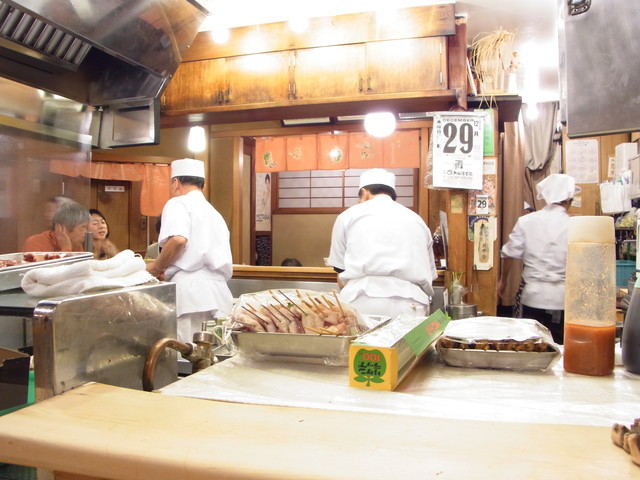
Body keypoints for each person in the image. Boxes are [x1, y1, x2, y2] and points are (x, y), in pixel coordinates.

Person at [327, 168, 437, 319]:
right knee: (406, 344)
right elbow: (430, 274)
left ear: (365, 193)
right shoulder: (417, 220)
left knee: (362, 344)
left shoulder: (347, 216)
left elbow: (340, 271)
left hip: (362, 300)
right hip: (411, 302)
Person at [146, 158, 234, 343]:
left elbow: (178, 240)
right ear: (203, 185)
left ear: (175, 182)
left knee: (188, 361)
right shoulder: (214, 213)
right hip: (220, 298)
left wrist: (157, 266)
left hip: (191, 296)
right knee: (212, 361)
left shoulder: (178, 203)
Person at [500, 173, 577, 344]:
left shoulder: (526, 221)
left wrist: (503, 282)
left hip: (533, 296)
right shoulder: (575, 225)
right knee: (560, 347)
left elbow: (509, 253)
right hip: (563, 299)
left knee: (529, 344)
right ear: (568, 200)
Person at [23, 201, 90, 252]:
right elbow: (41, 270)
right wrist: (66, 249)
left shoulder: (76, 244)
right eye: (83, 227)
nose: (85, 233)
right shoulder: (35, 242)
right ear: (64, 228)